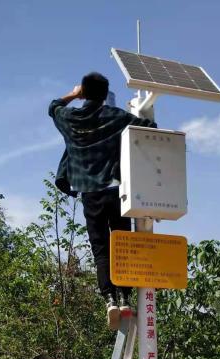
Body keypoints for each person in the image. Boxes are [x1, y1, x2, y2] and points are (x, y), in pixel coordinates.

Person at [49, 72, 156, 330]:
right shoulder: (115, 117)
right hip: (114, 190)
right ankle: (126, 297)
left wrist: (72, 95)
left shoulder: (71, 118)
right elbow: (148, 128)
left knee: (101, 249)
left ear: (83, 93)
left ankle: (109, 299)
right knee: (122, 243)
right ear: (105, 93)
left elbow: (53, 107)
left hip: (90, 193)